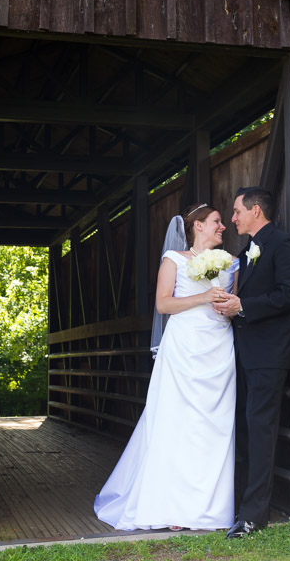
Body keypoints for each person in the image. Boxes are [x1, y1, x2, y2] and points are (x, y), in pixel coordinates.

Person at [94, 204, 239, 531]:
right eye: (217, 222)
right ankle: (173, 506)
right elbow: (163, 304)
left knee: (216, 427)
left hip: (218, 349)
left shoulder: (232, 263)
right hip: (183, 349)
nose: (223, 227)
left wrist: (227, 308)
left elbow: (234, 306)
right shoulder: (173, 260)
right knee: (178, 423)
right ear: (198, 226)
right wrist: (203, 298)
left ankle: (210, 509)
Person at [212, 187, 290, 538]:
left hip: (269, 355)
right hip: (243, 354)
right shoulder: (245, 251)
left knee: (261, 431)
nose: (232, 218)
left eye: (236, 211)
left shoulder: (284, 244)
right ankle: (239, 508)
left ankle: (253, 517)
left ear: (255, 210)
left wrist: (243, 307)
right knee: (246, 430)